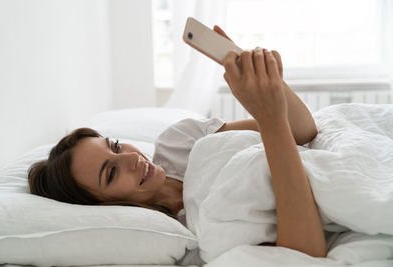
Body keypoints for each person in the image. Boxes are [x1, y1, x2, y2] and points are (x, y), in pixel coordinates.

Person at [28, 25, 327, 258]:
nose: (131, 159)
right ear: (101, 205)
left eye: (115, 146)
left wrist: (265, 81)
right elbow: (303, 254)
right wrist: (271, 118)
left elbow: (303, 131)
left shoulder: (177, 142)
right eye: (111, 173)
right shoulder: (183, 234)